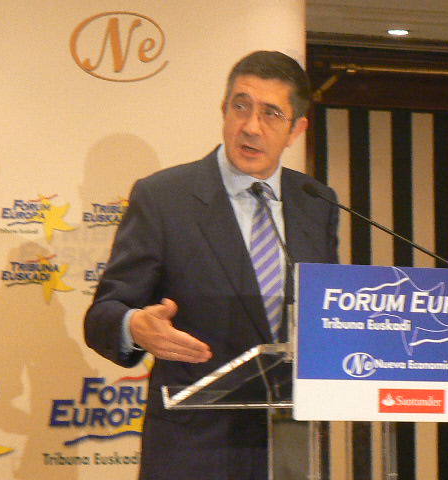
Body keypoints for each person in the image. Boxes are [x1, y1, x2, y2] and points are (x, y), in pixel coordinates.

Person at [84, 50, 339, 480]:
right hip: (193, 450)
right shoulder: (165, 197)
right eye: (241, 107)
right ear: (224, 110)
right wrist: (134, 326)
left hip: (288, 447)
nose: (251, 126)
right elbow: (103, 314)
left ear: (296, 129)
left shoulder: (316, 202)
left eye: (271, 114)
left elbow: (324, 314)